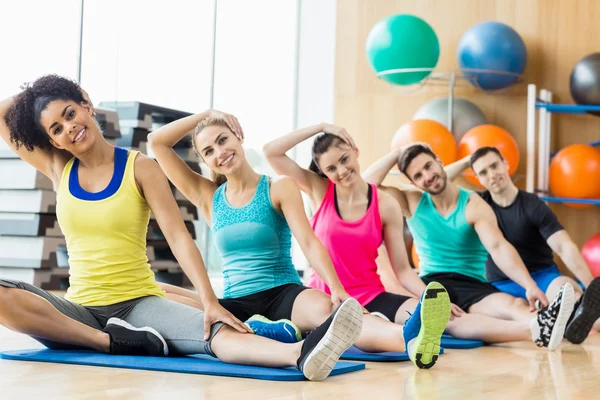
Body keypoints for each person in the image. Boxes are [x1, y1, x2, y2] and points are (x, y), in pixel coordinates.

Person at [0, 74, 363, 382]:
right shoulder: (57, 168)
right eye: (57, 129)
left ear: (86, 104)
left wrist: (209, 301)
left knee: (216, 334)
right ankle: (107, 342)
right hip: (81, 307)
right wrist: (32, 97)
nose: (70, 128)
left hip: (136, 306)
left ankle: (301, 351)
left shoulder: (141, 168)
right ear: (52, 141)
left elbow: (177, 236)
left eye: (70, 112)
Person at [147, 111, 452, 369]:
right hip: (235, 302)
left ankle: (408, 337)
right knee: (157, 292)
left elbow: (308, 241)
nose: (219, 152)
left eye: (223, 139)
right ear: (205, 161)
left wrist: (337, 289)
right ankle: (264, 332)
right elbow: (156, 142)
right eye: (208, 151)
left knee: (333, 312)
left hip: (284, 293)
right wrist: (208, 114)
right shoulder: (207, 197)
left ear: (238, 137)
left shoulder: (278, 187)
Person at [362, 142, 580, 351]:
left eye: (428, 166)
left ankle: (561, 327)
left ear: (439, 161)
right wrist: (397, 153)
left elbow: (498, 248)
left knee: (514, 306)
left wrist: (529, 285)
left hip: (471, 284)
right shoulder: (411, 201)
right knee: (451, 319)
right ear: (412, 183)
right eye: (418, 175)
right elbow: (366, 186)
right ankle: (535, 330)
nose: (427, 177)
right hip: (431, 282)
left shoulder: (473, 204)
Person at [445, 146, 600, 344]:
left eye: (494, 166)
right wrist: (468, 160)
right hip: (500, 284)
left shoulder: (532, 204)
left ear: (506, 164)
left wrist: (590, 286)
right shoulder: (477, 203)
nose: (491, 175)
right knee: (515, 310)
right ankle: (559, 324)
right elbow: (438, 183)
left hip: (543, 277)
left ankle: (577, 316)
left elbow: (564, 246)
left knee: (568, 290)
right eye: (483, 172)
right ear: (477, 177)